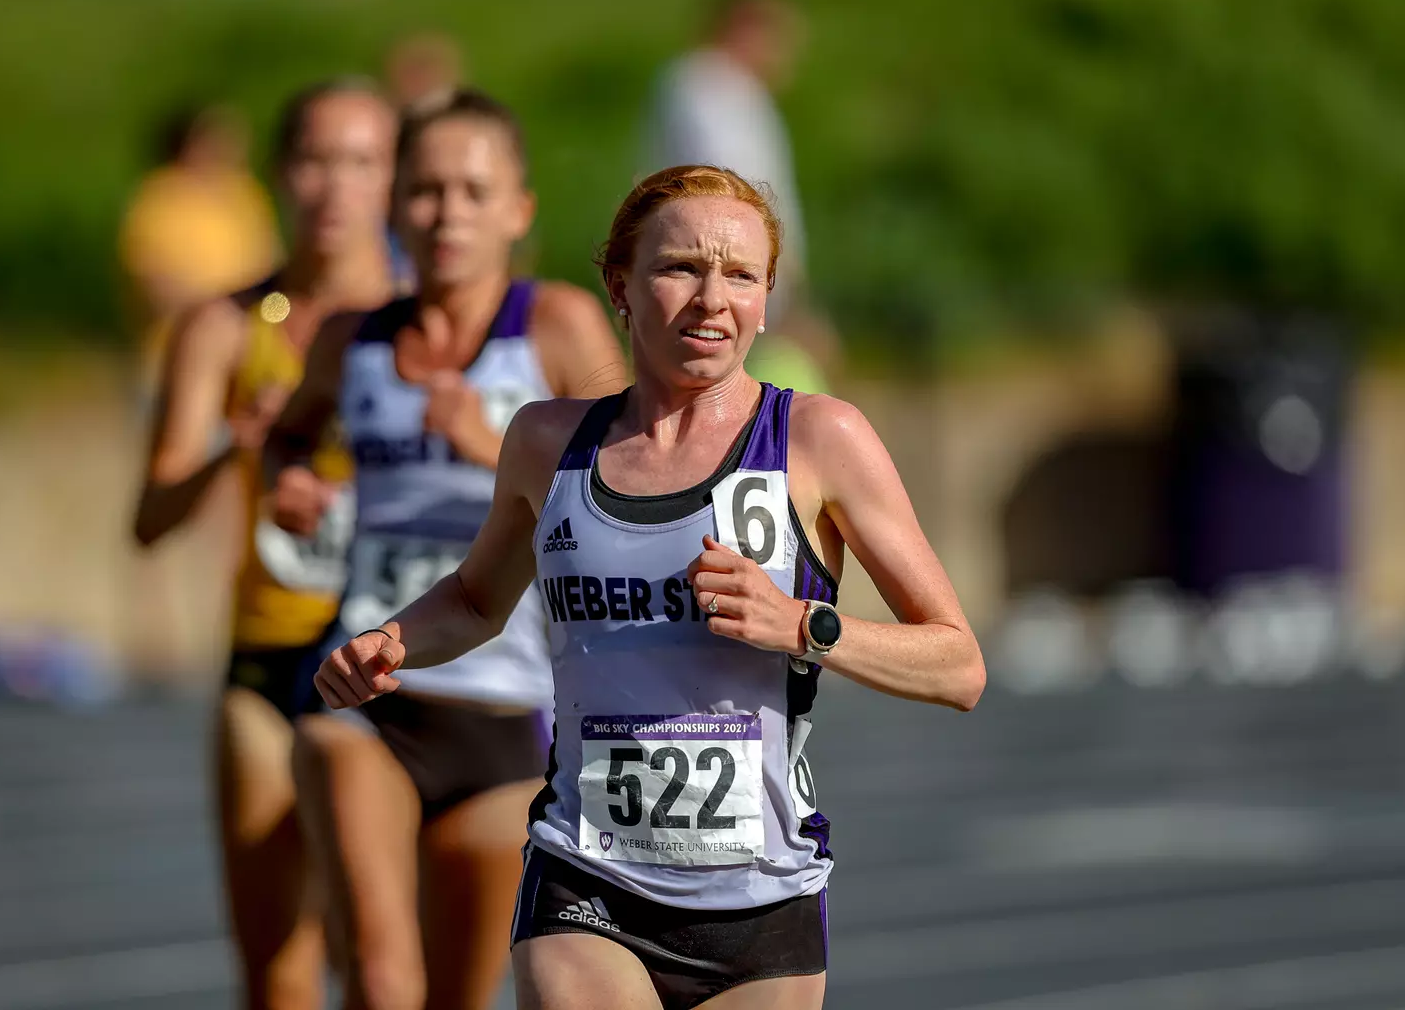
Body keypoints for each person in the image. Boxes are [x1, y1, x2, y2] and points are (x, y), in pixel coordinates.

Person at [314, 165, 986, 1010]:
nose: (713, 298)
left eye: (741, 275)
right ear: (619, 286)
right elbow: (479, 600)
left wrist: (806, 625)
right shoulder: (547, 442)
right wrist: (394, 643)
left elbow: (959, 666)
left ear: (767, 299)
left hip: (761, 899)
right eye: (680, 269)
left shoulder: (818, 439)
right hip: (584, 874)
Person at [265, 89, 625, 1010]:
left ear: (519, 210)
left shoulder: (554, 328)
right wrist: (292, 478)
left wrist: (492, 449)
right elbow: (290, 434)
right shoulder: (353, 340)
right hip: (370, 693)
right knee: (383, 983)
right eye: (425, 190)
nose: (447, 214)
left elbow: (642, 483)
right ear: (395, 206)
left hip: (507, 713)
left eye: (473, 190)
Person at [132, 77, 398, 1010]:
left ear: (393, 180)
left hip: (396, 662)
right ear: (283, 174)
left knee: (382, 967)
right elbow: (150, 519)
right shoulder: (224, 326)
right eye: (316, 161)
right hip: (271, 655)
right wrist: (230, 448)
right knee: (279, 971)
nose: (335, 186)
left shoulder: (434, 325)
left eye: (361, 162)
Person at [646, 0, 836, 393]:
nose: (785, 57)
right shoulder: (707, 88)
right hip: (729, 271)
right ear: (745, 28)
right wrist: (776, 290)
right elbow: (732, 191)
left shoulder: (737, 93)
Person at [120, 101, 281, 388]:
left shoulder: (246, 195)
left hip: (247, 360)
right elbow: (154, 284)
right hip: (172, 357)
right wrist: (222, 314)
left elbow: (274, 270)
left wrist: (275, 322)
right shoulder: (160, 197)